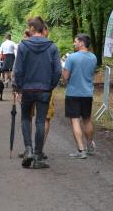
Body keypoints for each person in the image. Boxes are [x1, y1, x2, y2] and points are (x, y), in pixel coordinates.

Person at [12, 17, 61, 170]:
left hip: (27, 88)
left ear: (33, 28)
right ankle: (38, 156)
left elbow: (18, 69)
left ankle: (28, 150)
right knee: (40, 121)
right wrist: (50, 86)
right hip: (44, 89)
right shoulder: (52, 47)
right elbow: (58, 70)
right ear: (42, 29)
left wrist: (18, 87)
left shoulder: (23, 46)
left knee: (25, 119)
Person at [63, 33, 98, 159]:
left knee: (75, 120)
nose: (74, 43)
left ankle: (80, 149)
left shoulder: (71, 57)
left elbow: (65, 77)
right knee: (87, 119)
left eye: (75, 41)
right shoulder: (93, 57)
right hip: (87, 93)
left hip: (73, 93)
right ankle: (89, 146)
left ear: (81, 42)